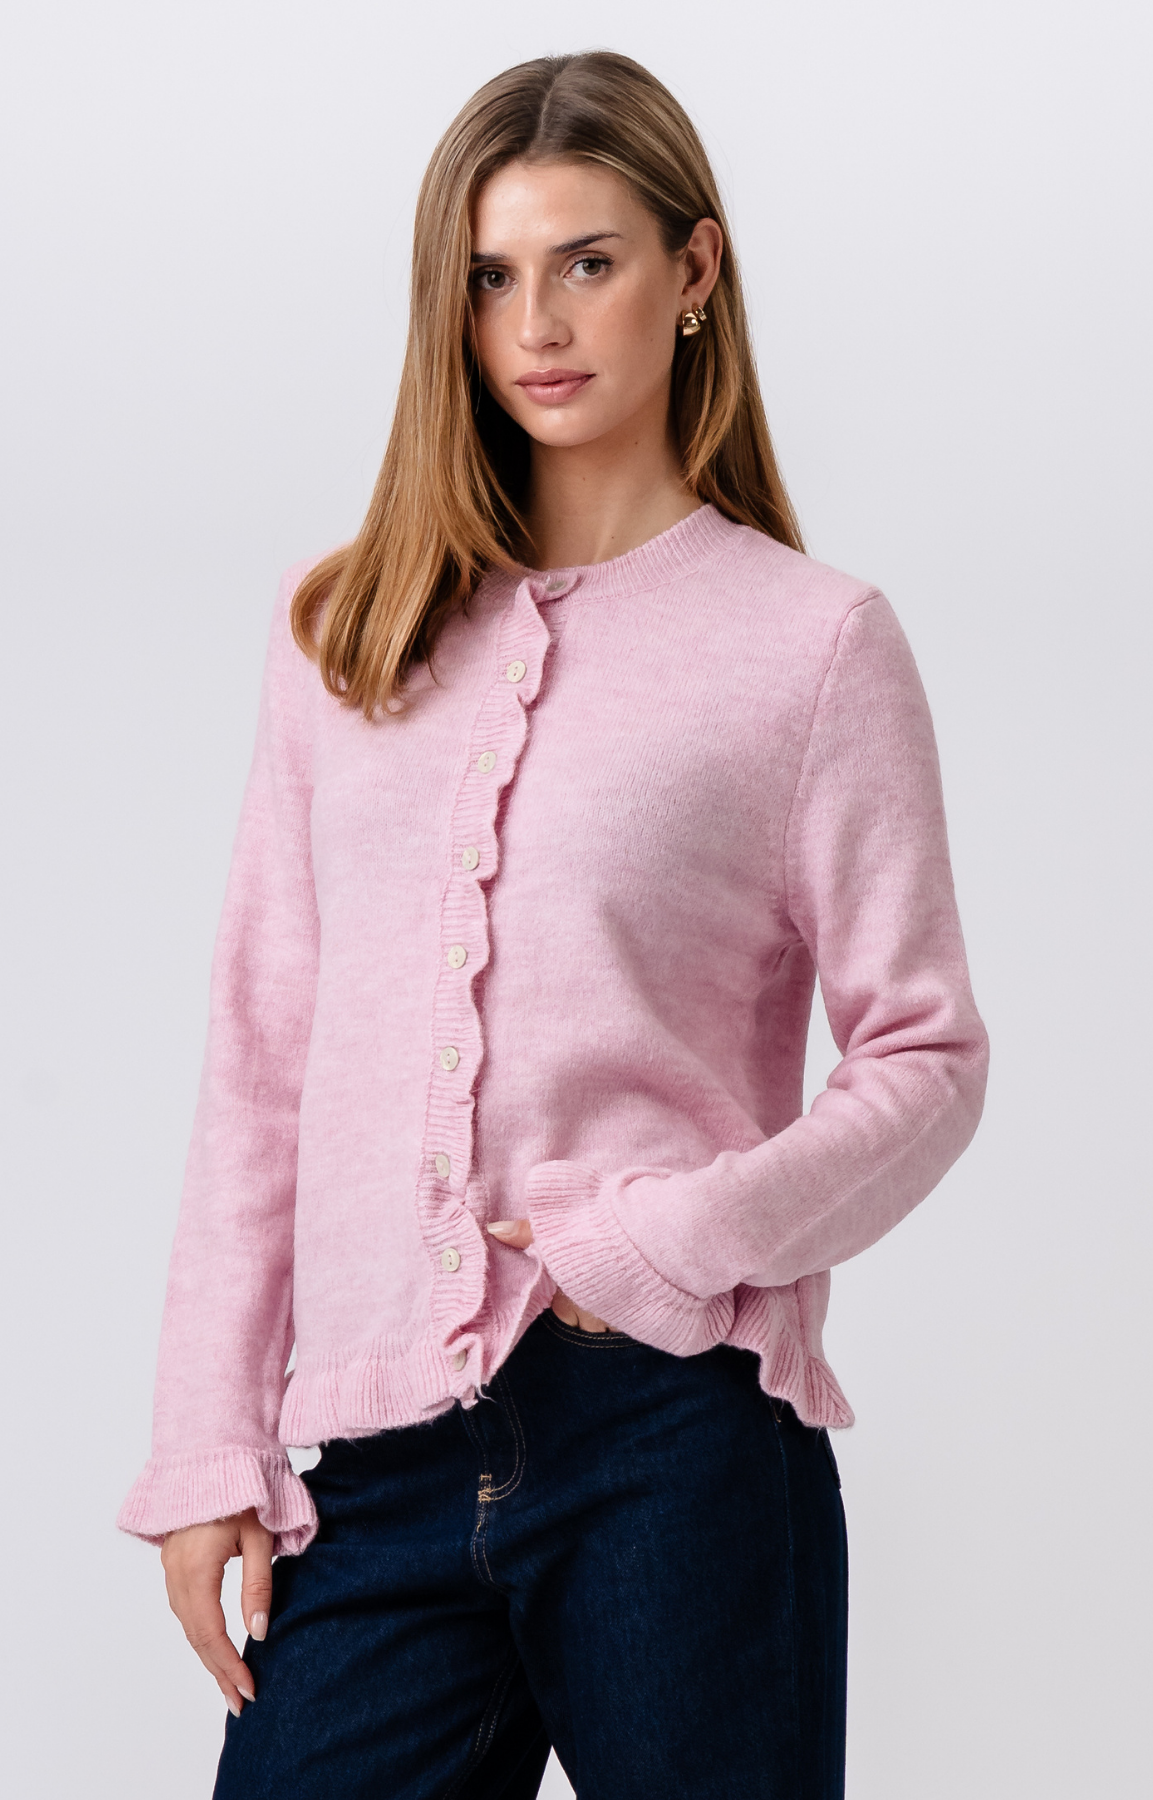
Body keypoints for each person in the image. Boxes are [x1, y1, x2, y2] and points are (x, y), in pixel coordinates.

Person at [119, 49, 988, 1800]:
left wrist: (668, 1241)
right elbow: (265, 1051)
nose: (537, 323)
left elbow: (928, 1059)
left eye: (588, 260)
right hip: (370, 1457)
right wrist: (211, 1435)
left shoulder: (811, 644)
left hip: (670, 1438)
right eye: (491, 276)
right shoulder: (344, 630)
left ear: (694, 271)